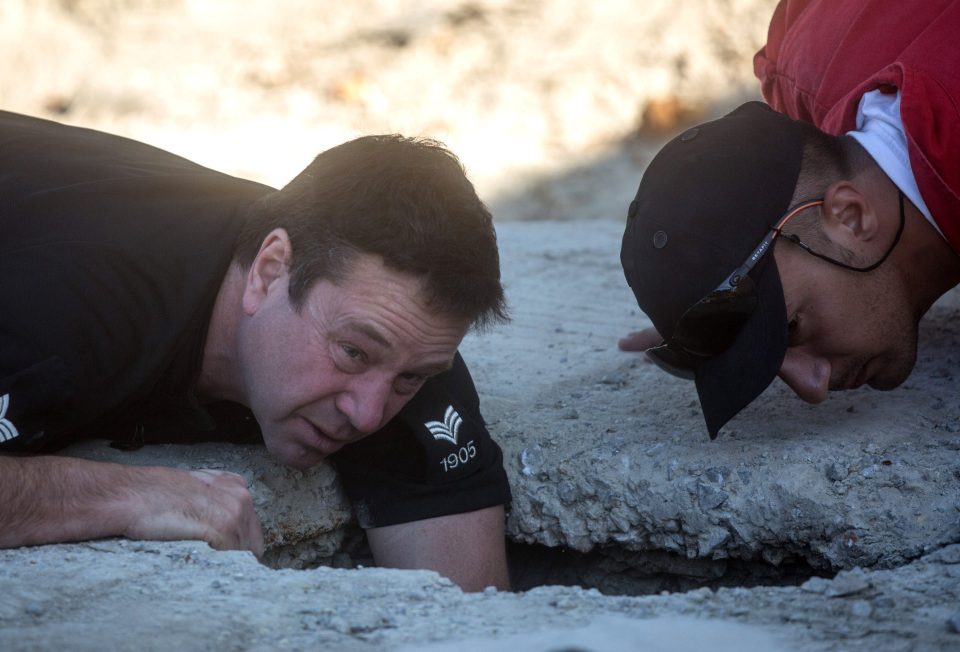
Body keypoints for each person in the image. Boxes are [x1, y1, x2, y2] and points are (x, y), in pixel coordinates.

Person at [0, 110, 511, 591]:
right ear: (269, 272)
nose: (368, 414)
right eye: (352, 354)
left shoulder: (400, 337)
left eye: (411, 378)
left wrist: (395, 371)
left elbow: (472, 616)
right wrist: (125, 493)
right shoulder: (73, 303)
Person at [618, 0, 960, 439]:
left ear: (850, 217)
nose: (812, 386)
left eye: (794, 327)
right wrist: (712, 314)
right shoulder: (802, 62)